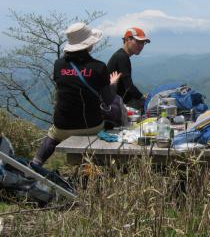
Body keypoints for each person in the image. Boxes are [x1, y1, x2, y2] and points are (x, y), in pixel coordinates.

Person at [32, 22, 121, 166]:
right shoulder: (99, 67)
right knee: (116, 105)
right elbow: (108, 100)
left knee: (52, 135)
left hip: (62, 126)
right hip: (90, 126)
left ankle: (35, 164)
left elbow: (66, 89)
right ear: (88, 44)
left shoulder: (58, 65)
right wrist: (113, 83)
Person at [107, 27, 150, 111]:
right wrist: (143, 98)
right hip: (117, 103)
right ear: (127, 40)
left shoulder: (121, 56)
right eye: (138, 42)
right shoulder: (122, 57)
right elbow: (128, 86)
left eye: (143, 43)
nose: (141, 46)